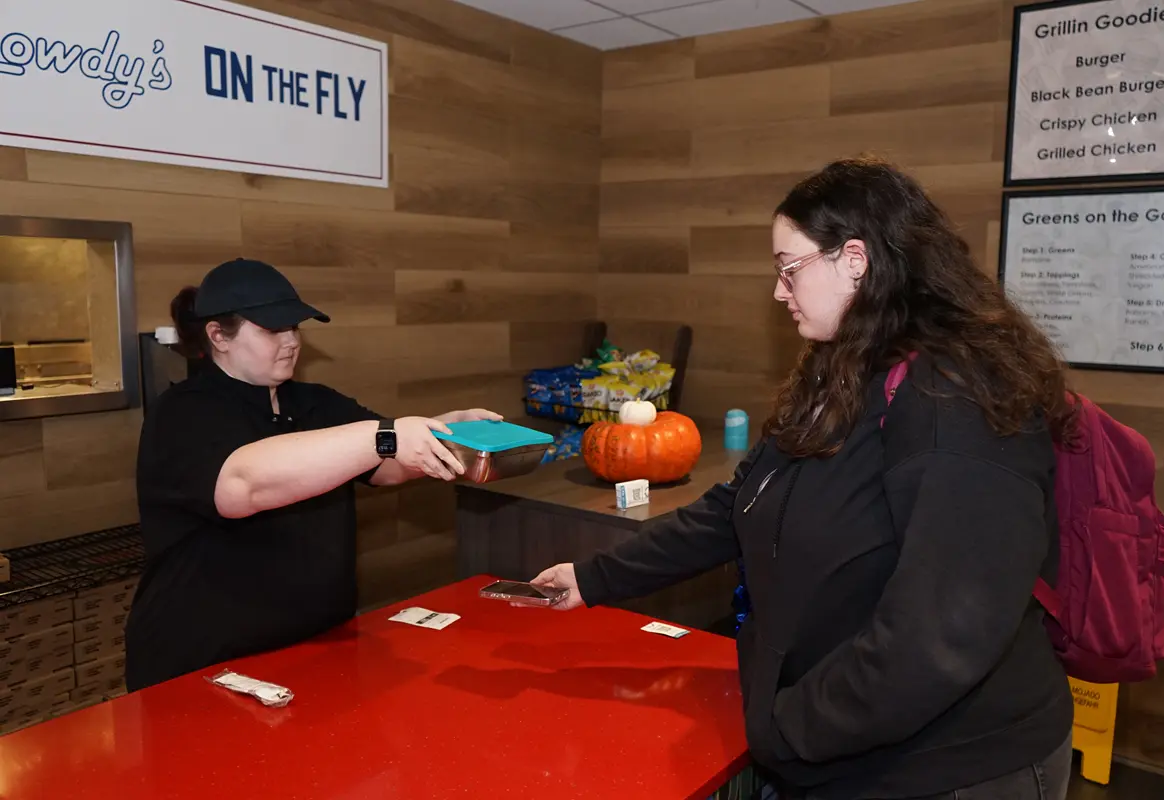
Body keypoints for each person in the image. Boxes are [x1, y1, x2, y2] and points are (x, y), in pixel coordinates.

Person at [529, 158, 1077, 800]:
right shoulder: (843, 370)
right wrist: (594, 578)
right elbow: (735, 508)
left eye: (789, 268)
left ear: (854, 259)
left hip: (951, 766)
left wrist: (785, 730)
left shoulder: (958, 404)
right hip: (844, 743)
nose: (778, 291)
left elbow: (936, 640)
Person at [125, 258, 501, 691]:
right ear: (218, 337)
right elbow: (241, 486)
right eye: (271, 330)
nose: (290, 341)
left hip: (318, 649)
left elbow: (386, 465)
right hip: (205, 663)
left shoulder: (314, 402)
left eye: (294, 328)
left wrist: (448, 435)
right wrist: (384, 437)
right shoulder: (182, 413)